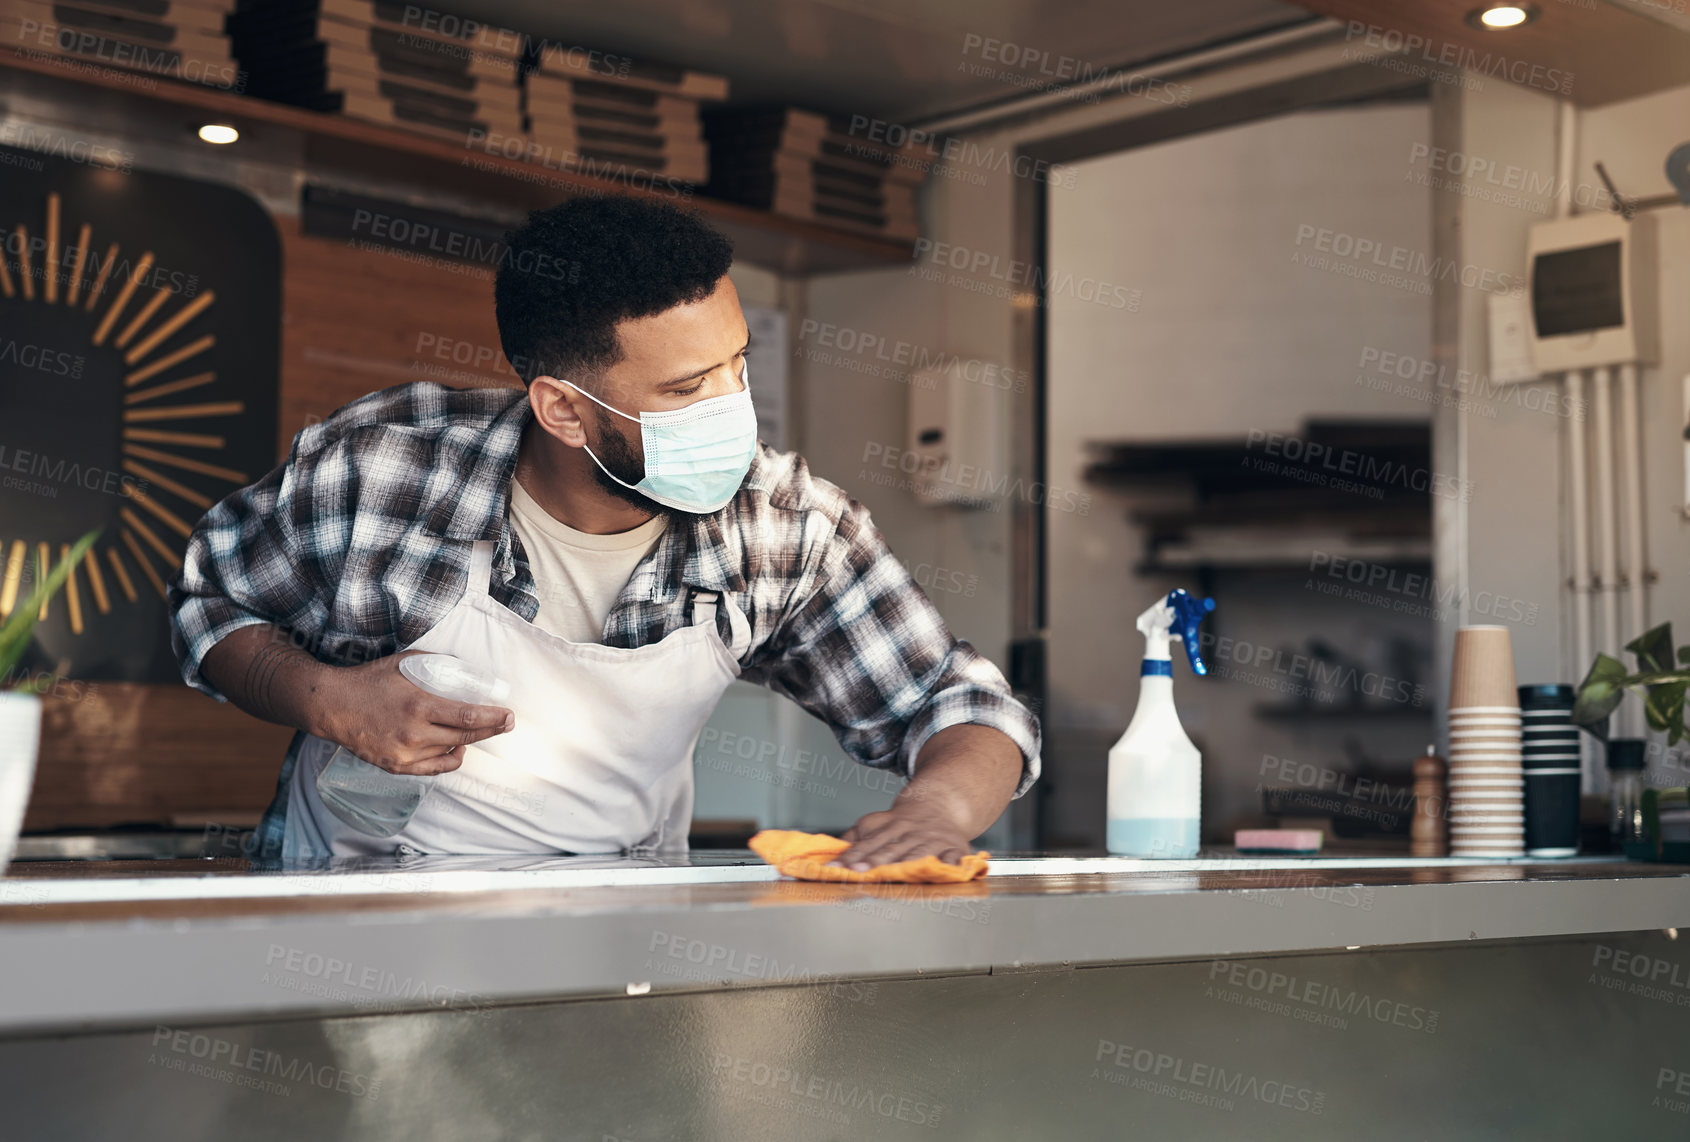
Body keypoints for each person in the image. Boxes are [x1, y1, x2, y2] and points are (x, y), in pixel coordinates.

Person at [168, 194, 1040, 867]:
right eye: (683, 389)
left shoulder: (780, 527)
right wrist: (328, 701)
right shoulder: (386, 470)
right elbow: (211, 608)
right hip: (356, 922)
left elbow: (956, 703)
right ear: (562, 410)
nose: (731, 409)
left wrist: (940, 810)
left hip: (618, 934)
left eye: (737, 366)